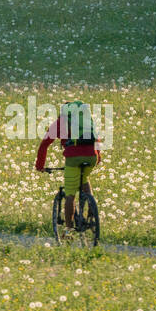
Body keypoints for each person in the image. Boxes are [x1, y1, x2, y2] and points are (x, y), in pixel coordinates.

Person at [34, 100, 101, 233]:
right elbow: (97, 139)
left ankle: (68, 231)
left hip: (73, 157)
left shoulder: (61, 122)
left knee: (70, 194)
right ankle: (92, 213)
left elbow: (44, 145)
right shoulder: (86, 121)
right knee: (84, 179)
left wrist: (40, 166)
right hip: (91, 156)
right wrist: (98, 157)